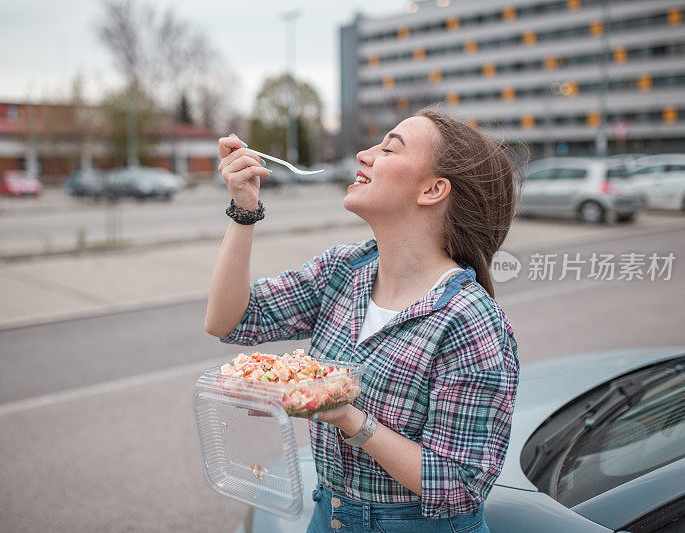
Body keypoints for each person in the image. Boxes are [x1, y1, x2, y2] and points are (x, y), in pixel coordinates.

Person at [205, 106, 519, 533]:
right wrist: (244, 210)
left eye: (389, 149)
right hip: (329, 514)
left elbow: (459, 485)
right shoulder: (344, 269)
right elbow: (229, 320)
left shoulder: (468, 319)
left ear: (433, 189)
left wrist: (346, 415)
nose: (363, 155)